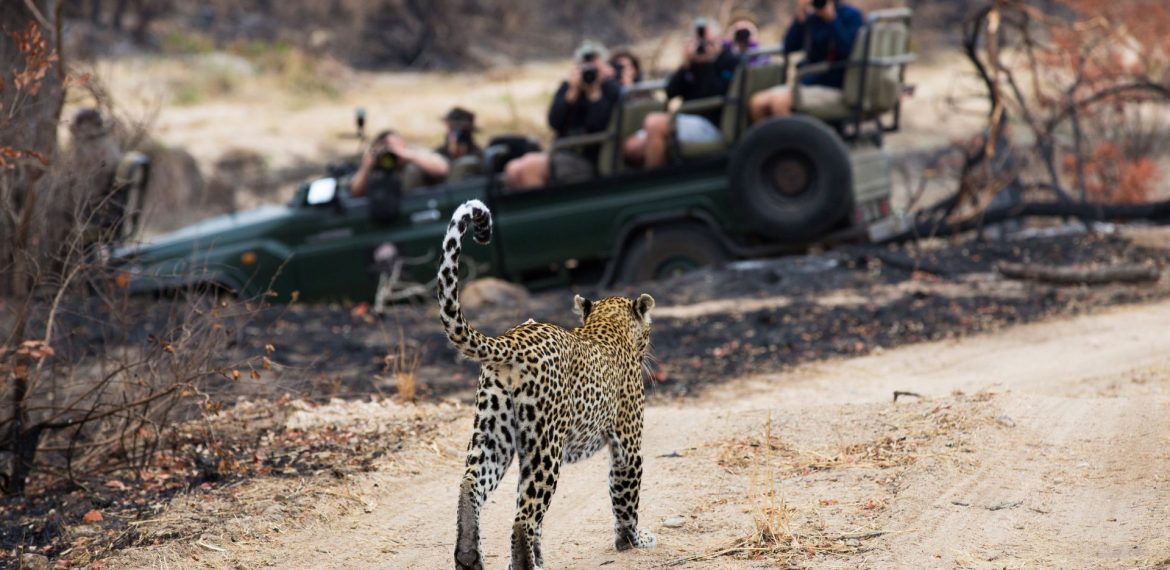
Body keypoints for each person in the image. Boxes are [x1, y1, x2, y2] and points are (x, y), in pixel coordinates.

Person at [624, 18, 740, 169]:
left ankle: (655, 184)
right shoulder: (692, 62)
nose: (703, 46)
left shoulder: (728, 60)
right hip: (686, 120)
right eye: (700, 41)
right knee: (632, 147)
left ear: (719, 39)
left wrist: (708, 63)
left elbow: (716, 94)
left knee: (654, 123)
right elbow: (670, 92)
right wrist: (685, 65)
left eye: (708, 41)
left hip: (711, 123)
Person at [504, 41, 621, 190]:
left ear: (604, 66)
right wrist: (571, 94)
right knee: (513, 169)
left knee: (531, 166)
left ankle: (546, 211)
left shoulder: (610, 89)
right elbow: (554, 121)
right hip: (562, 151)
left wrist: (594, 94)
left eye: (594, 64)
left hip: (589, 156)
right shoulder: (569, 88)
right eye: (585, 64)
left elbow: (600, 124)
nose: (589, 70)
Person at [749, 0, 864, 122]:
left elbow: (848, 51)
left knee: (779, 102)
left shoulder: (851, 15)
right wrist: (800, 17)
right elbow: (789, 46)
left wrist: (832, 20)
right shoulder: (812, 18)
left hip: (835, 84)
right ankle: (768, 140)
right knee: (756, 103)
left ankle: (794, 140)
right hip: (808, 82)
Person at [350, 129, 451, 197]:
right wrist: (366, 166)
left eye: (394, 147)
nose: (392, 154)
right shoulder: (377, 164)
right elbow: (355, 191)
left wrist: (406, 155)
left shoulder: (415, 155)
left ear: (404, 144)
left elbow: (443, 169)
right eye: (386, 148)